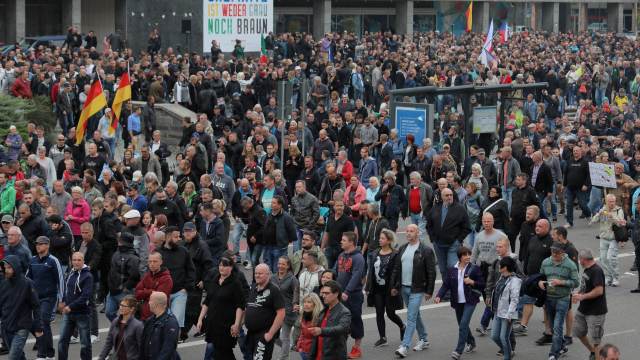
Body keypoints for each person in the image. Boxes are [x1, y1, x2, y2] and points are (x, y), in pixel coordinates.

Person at [390, 224, 437, 358]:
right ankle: (424, 339)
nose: (408, 233)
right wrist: (394, 286)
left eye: (412, 231)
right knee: (415, 315)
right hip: (404, 288)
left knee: (410, 317)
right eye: (407, 231)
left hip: (417, 288)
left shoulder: (426, 250)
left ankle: (404, 346)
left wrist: (429, 290)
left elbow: (431, 272)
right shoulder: (403, 248)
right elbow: (396, 269)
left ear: (418, 233)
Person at [434, 246, 484, 359]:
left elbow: (482, 284)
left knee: (463, 324)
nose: (468, 257)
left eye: (469, 254)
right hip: (457, 302)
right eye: (465, 255)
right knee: (463, 325)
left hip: (470, 301)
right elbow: (446, 285)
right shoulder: (452, 269)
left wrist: (472, 282)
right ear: (460, 257)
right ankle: (471, 342)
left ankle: (458, 351)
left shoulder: (474, 269)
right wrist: (439, 296)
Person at [197, 255, 245, 360]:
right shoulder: (215, 279)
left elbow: (240, 305)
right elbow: (207, 301)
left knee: (224, 352)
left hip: (226, 325)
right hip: (213, 323)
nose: (221, 268)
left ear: (231, 267)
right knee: (219, 353)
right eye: (220, 265)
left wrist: (237, 324)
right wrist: (200, 319)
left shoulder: (235, 283)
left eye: (225, 266)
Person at [539, 242, 580, 360]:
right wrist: (540, 282)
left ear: (563, 252)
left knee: (557, 327)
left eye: (557, 252)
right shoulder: (546, 262)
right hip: (549, 298)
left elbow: (576, 282)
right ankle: (562, 345)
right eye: (553, 252)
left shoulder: (570, 265)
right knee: (552, 328)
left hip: (563, 299)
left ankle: (553, 354)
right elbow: (541, 277)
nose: (554, 254)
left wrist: (561, 282)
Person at [365, 229, 404, 347]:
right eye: (380, 238)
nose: (379, 240)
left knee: (391, 313)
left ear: (389, 241)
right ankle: (382, 337)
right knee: (379, 312)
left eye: (382, 238)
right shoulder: (375, 253)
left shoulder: (395, 254)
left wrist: (396, 287)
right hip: (377, 289)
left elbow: (398, 272)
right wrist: (368, 287)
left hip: (389, 288)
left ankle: (402, 326)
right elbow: (370, 272)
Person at [27, 236, 64, 360]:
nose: (38, 246)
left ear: (47, 245)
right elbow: (27, 280)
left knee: (43, 321)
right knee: (36, 324)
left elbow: (61, 280)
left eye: (41, 244)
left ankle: (43, 354)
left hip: (49, 298)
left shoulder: (53, 261)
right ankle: (49, 353)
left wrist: (62, 300)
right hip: (35, 299)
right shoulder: (32, 260)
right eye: (36, 244)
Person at [0, 255, 43, 360]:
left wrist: (38, 327)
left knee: (13, 357)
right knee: (19, 356)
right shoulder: (3, 284)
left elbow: (36, 306)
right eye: (5, 267)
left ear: (16, 267)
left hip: (21, 327)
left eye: (9, 267)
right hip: (6, 327)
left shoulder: (27, 284)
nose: (6, 270)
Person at [427, 187, 471, 282]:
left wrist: (458, 240)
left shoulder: (460, 208)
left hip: (453, 245)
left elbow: (467, 227)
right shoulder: (435, 208)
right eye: (447, 195)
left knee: (452, 267)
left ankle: (454, 289)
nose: (449, 197)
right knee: (443, 269)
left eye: (451, 195)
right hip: (438, 244)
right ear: (442, 197)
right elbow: (429, 225)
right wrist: (432, 239)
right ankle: (446, 292)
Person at [158, 227, 196, 333]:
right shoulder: (158, 252)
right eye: (176, 236)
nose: (179, 239)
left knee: (175, 322)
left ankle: (171, 345)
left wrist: (187, 288)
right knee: (161, 322)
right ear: (167, 237)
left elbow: (191, 270)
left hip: (180, 292)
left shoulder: (183, 251)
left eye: (179, 236)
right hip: (162, 293)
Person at [245, 263, 285, 360]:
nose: (257, 275)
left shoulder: (274, 290)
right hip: (251, 334)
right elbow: (247, 308)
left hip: (264, 334)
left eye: (260, 273)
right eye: (256, 273)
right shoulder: (253, 288)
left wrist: (270, 334)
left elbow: (281, 313)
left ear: (268, 275)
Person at [572, 249, 607, 360]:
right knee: (578, 332)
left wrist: (582, 297)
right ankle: (592, 352)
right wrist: (578, 294)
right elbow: (586, 287)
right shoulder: (587, 270)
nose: (579, 262)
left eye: (579, 260)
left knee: (596, 341)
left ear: (583, 260)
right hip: (583, 309)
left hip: (596, 312)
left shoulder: (596, 271)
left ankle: (597, 355)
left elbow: (599, 290)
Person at [58, 252, 94, 360]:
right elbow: (67, 290)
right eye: (74, 260)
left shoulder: (88, 276)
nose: (76, 262)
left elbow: (85, 297)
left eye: (79, 260)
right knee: (62, 341)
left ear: (83, 261)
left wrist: (70, 306)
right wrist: (63, 301)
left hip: (82, 314)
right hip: (68, 314)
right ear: (71, 261)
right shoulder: (71, 272)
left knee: (85, 344)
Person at [181, 221, 213, 341]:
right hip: (186, 282)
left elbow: (209, 265)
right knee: (194, 308)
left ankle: (182, 334)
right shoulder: (183, 244)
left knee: (190, 309)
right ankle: (205, 328)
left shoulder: (202, 245)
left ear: (195, 231)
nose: (187, 233)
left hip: (197, 282)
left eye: (190, 231)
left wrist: (204, 280)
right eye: (185, 231)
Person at [335, 231, 366, 358]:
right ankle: (341, 346)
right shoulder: (341, 255)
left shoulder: (358, 258)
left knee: (355, 320)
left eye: (344, 240)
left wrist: (347, 292)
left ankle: (357, 348)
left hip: (353, 295)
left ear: (351, 242)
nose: (341, 241)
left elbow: (356, 276)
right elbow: (335, 271)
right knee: (341, 321)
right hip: (340, 294)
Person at [309, 280, 351, 360]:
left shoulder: (344, 312)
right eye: (323, 293)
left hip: (333, 356)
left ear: (336, 294)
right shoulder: (323, 310)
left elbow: (342, 328)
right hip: (318, 355)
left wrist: (322, 331)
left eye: (327, 293)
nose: (323, 296)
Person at [489, 256, 522, 360]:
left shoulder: (515, 281)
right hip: (497, 312)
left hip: (508, 314)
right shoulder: (501, 277)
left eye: (501, 265)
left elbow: (514, 299)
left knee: (504, 337)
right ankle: (508, 350)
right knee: (494, 336)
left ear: (506, 267)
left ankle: (507, 357)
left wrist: (509, 314)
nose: (499, 266)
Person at [590, 194, 625, 286]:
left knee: (611, 258)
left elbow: (621, 223)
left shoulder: (618, 210)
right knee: (603, 259)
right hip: (603, 238)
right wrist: (599, 214)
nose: (612, 203)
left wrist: (612, 217)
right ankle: (608, 277)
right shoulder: (603, 210)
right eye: (610, 201)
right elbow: (592, 221)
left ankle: (616, 278)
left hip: (613, 238)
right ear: (606, 201)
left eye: (613, 201)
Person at [105, 233, 141, 321]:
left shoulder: (133, 258)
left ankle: (125, 330)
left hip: (124, 292)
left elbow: (135, 276)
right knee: (109, 312)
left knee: (127, 316)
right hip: (112, 291)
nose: (118, 242)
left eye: (120, 241)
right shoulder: (116, 253)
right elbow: (111, 270)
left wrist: (125, 288)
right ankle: (119, 328)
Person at [97, 295, 144, 360]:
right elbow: (108, 343)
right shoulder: (115, 322)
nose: (120, 308)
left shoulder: (138, 326)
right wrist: (101, 357)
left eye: (124, 306)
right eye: (120, 305)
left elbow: (142, 348)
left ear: (132, 309)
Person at [273, 256, 299, 360]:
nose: (280, 266)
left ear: (288, 266)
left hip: (288, 312)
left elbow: (296, 294)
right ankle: (287, 346)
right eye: (279, 263)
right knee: (274, 336)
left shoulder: (293, 279)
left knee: (285, 337)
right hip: (275, 312)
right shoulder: (272, 277)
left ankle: (284, 357)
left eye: (283, 264)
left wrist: (295, 304)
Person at [140, 291, 180, 360]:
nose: (148, 303)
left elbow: (167, 350)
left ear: (156, 304)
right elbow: (143, 344)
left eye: (150, 300)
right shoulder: (150, 320)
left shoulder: (170, 323)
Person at [262, 195, 297, 273]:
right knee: (268, 268)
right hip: (268, 246)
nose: (272, 204)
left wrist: (285, 241)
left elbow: (292, 231)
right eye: (272, 202)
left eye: (274, 203)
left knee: (277, 269)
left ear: (280, 205)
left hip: (279, 247)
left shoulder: (286, 217)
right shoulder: (270, 214)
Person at [135, 252, 173, 321]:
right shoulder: (147, 275)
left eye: (155, 261)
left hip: (157, 318)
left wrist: (145, 291)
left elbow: (158, 299)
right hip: (143, 316)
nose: (152, 264)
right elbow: (137, 293)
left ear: (161, 262)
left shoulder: (167, 279)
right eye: (150, 261)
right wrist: (151, 291)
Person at [296, 293, 323, 360]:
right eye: (304, 302)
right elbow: (302, 333)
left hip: (315, 353)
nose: (306, 304)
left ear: (315, 304)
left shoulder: (320, 318)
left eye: (309, 302)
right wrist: (299, 345)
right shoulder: (304, 315)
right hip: (304, 350)